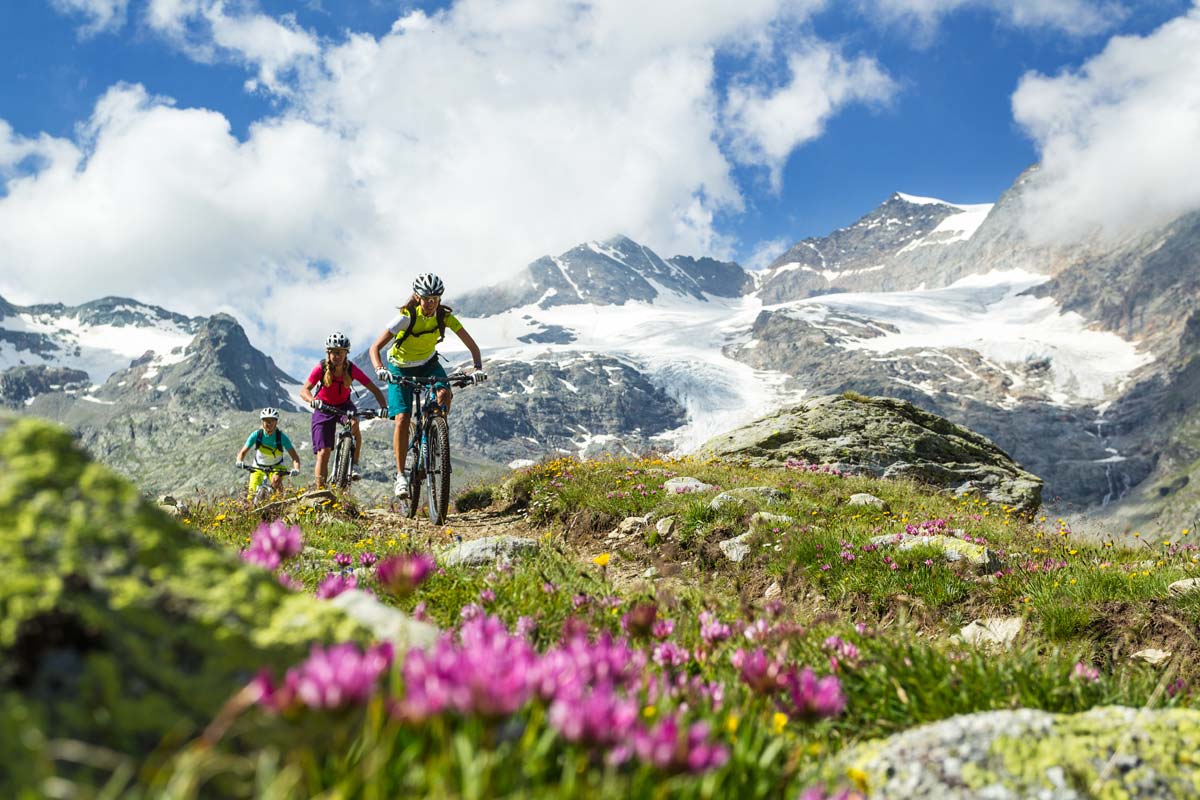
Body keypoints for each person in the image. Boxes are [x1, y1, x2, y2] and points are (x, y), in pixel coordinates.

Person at [369, 273, 485, 499]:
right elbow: (375, 347)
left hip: (428, 364)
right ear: (416, 297)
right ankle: (401, 475)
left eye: (435, 298)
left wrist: (478, 368)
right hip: (400, 367)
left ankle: (435, 431)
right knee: (402, 418)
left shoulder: (444, 316)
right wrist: (380, 369)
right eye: (426, 298)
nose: (431, 303)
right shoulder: (405, 317)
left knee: (444, 393)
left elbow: (472, 345)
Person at [299, 331, 388, 488]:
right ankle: (320, 490)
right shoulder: (320, 368)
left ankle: (354, 464)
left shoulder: (351, 369)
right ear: (328, 353)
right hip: (323, 408)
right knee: (324, 452)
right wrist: (312, 401)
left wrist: (383, 408)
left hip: (343, 405)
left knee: (354, 424)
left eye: (340, 352)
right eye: (333, 352)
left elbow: (374, 389)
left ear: (346, 353)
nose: (337, 356)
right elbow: (304, 390)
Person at [236, 407, 301, 500]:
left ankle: (282, 503)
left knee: (276, 480)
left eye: (272, 421)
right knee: (251, 496)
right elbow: (242, 453)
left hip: (277, 466)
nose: (269, 424)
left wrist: (296, 469)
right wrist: (239, 461)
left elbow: (295, 457)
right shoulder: (256, 435)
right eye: (266, 421)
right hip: (258, 466)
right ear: (262, 422)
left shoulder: (281, 437)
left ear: (276, 422)